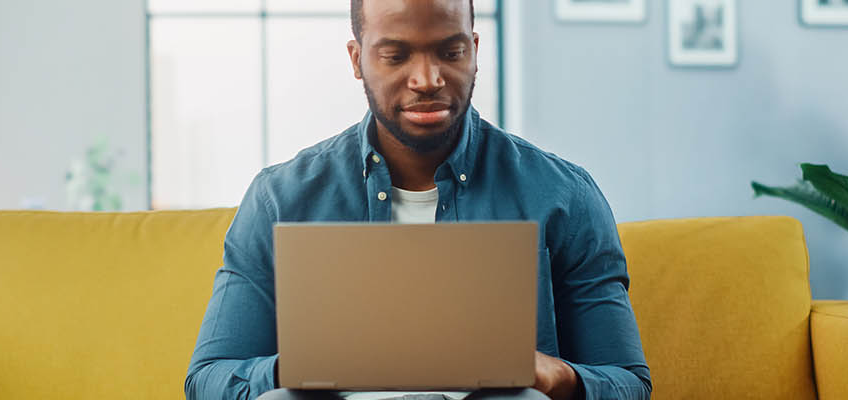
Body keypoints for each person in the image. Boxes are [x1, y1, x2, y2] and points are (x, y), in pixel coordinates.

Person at [185, 1, 651, 399]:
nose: (427, 79)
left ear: (475, 51)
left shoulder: (563, 196)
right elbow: (209, 378)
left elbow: (627, 381)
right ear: (357, 59)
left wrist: (557, 375)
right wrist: (303, 367)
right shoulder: (280, 199)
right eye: (395, 55)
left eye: (450, 52)